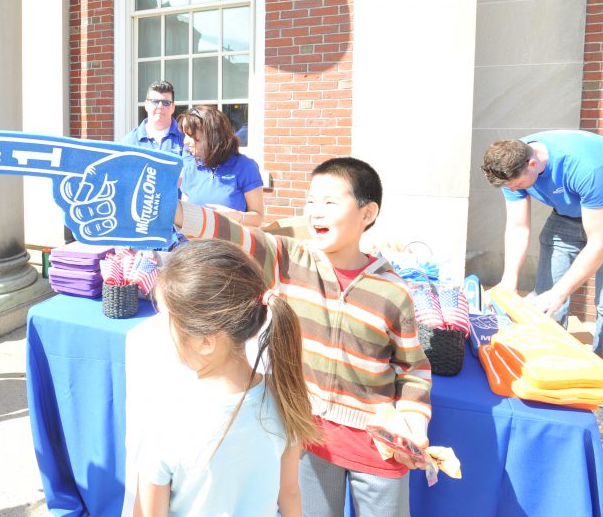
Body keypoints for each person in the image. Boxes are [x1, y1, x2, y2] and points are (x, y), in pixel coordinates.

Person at [173, 157, 432, 517]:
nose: (315, 212)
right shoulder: (290, 260)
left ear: (367, 213)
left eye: (330, 202)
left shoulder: (393, 292)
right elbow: (234, 234)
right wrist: (177, 212)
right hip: (305, 435)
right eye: (310, 201)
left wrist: (413, 422)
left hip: (377, 444)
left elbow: (414, 369)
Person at [481, 131, 603, 443]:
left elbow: (601, 241)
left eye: (518, 185)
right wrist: (510, 279)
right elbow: (518, 226)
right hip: (568, 214)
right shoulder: (510, 164)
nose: (514, 190)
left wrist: (560, 291)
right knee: (544, 303)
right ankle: (550, 385)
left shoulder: (586, 165)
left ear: (533, 163)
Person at [133, 239, 320, 517]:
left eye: (167, 318)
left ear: (206, 341)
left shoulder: (168, 418)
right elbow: (290, 493)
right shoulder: (286, 397)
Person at [177, 106, 265, 228]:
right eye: (185, 135)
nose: (185, 141)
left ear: (211, 136)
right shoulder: (190, 168)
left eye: (190, 135)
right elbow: (184, 217)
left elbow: (258, 218)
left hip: (229, 245)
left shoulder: (245, 167)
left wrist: (235, 216)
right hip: (194, 245)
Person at [122, 81, 186, 156]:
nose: (160, 106)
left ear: (173, 108)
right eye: (155, 101)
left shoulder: (186, 138)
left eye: (166, 102)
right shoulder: (130, 142)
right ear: (146, 105)